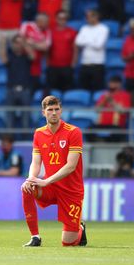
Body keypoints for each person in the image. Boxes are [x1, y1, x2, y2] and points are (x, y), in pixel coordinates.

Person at [21, 95, 87, 247]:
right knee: (26, 188)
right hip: (50, 187)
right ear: (43, 112)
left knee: (68, 243)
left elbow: (71, 166)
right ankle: (35, 237)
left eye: (57, 109)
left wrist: (46, 181)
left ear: (61, 111)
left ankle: (80, 228)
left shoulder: (74, 132)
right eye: (50, 110)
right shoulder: (39, 133)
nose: (54, 113)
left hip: (71, 190)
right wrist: (31, 178)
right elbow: (36, 162)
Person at [5, 34, 36, 130]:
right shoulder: (9, 56)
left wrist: (24, 43)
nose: (18, 45)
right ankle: (8, 140)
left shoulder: (26, 56)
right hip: (11, 89)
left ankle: (25, 140)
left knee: (25, 118)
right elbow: (2, 57)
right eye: (16, 42)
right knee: (9, 117)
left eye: (20, 43)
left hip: (25, 89)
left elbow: (33, 56)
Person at [75, 9, 109, 93]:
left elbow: (98, 45)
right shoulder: (84, 28)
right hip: (85, 64)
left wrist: (86, 41)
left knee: (97, 90)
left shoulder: (103, 29)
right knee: (83, 90)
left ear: (96, 17)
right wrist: (92, 41)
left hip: (97, 64)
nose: (87, 19)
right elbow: (78, 42)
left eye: (89, 17)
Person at [93, 75, 131, 142]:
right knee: (89, 129)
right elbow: (97, 110)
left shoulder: (125, 95)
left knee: (115, 134)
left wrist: (112, 102)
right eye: (111, 83)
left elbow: (124, 111)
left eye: (114, 83)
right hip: (102, 124)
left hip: (116, 125)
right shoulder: (104, 95)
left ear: (119, 84)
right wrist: (104, 100)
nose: (112, 85)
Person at [46, 10, 77, 92]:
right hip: (53, 66)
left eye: (64, 19)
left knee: (67, 90)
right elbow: (46, 48)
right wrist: (47, 63)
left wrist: (73, 63)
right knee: (51, 91)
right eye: (60, 18)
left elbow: (75, 49)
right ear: (56, 19)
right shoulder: (50, 32)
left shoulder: (72, 32)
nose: (62, 21)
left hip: (67, 66)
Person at [19, 13, 51, 88]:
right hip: (23, 61)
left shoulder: (47, 31)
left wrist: (32, 43)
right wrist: (33, 46)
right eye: (46, 22)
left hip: (37, 65)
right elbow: (20, 40)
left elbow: (45, 47)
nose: (48, 24)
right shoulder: (27, 25)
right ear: (39, 21)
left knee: (34, 86)